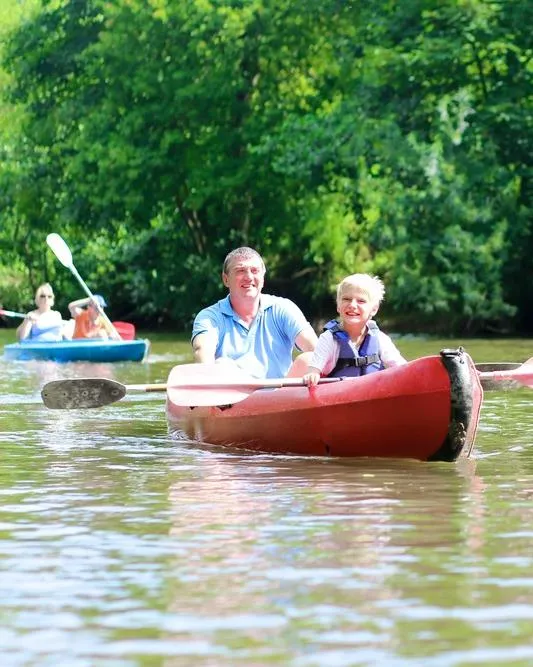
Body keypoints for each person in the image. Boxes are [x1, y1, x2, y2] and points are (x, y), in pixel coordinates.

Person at [191, 247, 318, 379]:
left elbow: (315, 348)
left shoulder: (283, 308)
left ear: (262, 278)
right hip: (232, 394)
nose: (249, 277)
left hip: (281, 395)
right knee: (222, 364)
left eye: (254, 271)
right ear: (226, 279)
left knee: (309, 359)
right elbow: (203, 352)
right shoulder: (209, 317)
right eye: (240, 271)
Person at [303, 273, 407, 386]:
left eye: (361, 301)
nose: (352, 305)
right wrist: (312, 375)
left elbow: (402, 368)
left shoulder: (380, 339)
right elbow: (313, 370)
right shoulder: (329, 339)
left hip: (373, 392)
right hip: (338, 395)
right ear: (338, 306)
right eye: (346, 299)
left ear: (374, 309)